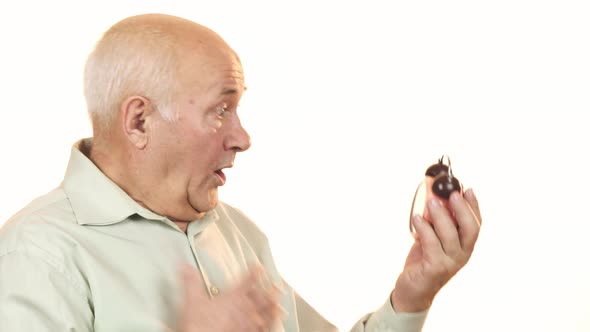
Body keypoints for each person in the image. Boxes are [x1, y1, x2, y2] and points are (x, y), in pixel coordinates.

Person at [0, 13, 482, 332]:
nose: (242, 137)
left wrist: (412, 293)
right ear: (139, 121)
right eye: (219, 110)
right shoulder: (40, 255)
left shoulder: (234, 233)